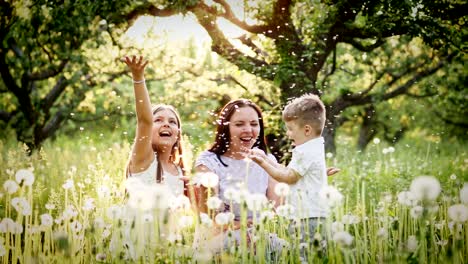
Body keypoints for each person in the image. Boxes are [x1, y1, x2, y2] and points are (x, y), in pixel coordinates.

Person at [247, 93, 331, 252]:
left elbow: (288, 177)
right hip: (314, 215)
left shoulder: (305, 151)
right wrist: (267, 158)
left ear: (307, 130)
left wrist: (263, 164)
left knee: (303, 257)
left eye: (291, 129)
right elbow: (289, 170)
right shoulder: (315, 146)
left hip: (306, 217)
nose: (288, 134)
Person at [194, 99, 281, 251]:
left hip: (259, 238)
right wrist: (241, 229)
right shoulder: (208, 163)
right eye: (239, 124)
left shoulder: (267, 161)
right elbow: (210, 218)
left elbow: (278, 211)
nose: (248, 129)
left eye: (254, 124)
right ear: (225, 128)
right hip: (217, 241)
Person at [122, 55, 186, 197]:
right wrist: (138, 77)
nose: (166, 124)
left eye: (172, 122)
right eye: (158, 120)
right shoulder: (143, 159)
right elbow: (145, 121)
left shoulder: (180, 171)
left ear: (178, 135)